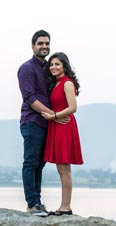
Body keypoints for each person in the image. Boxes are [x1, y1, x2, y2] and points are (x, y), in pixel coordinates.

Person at [17, 30, 69, 217]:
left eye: (47, 43)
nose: (44, 46)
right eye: (40, 43)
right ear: (33, 46)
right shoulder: (26, 68)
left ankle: (38, 202)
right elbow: (30, 98)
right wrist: (53, 114)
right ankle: (32, 204)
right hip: (32, 121)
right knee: (31, 162)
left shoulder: (49, 69)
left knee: (40, 164)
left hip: (48, 123)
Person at [41, 52, 83, 215]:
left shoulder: (67, 84)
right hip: (56, 125)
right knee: (61, 168)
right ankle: (63, 206)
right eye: (51, 64)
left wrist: (54, 116)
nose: (53, 67)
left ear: (64, 66)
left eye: (57, 64)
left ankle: (66, 207)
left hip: (64, 125)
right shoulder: (56, 84)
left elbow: (73, 107)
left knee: (65, 167)